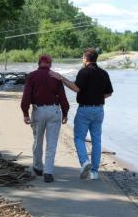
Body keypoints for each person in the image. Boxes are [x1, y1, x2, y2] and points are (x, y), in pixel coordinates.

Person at [49, 48, 113, 180]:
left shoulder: (84, 71)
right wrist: (97, 98)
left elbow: (76, 88)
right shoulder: (104, 73)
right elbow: (109, 93)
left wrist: (61, 78)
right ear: (96, 58)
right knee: (97, 141)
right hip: (99, 110)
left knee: (79, 138)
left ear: (85, 58)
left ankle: (84, 162)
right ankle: (94, 172)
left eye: (82, 58)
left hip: (85, 109)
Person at [21, 54, 69, 183]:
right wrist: (65, 113)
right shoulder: (56, 76)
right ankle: (48, 173)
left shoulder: (31, 76)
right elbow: (63, 98)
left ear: (39, 63)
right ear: (50, 64)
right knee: (51, 143)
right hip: (54, 111)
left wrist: (25, 112)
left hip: (38, 110)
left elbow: (26, 96)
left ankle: (38, 167)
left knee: (38, 141)